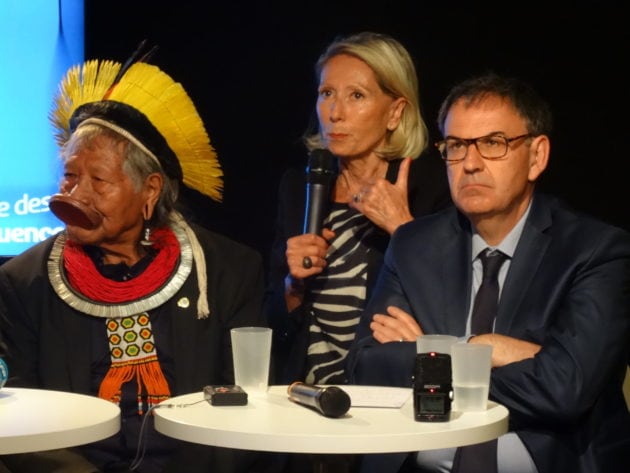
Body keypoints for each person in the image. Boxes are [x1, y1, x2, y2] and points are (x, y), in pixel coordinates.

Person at [347, 72, 630, 473]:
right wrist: (478, 349)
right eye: (457, 146)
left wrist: (430, 354)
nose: (471, 164)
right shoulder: (415, 243)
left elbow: (565, 389)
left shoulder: (595, 250)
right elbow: (367, 366)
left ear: (537, 156)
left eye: (493, 144)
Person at [0, 48, 266, 473]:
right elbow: (18, 416)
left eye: (99, 180)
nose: (76, 195)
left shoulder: (228, 270)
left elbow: (248, 405)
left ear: (150, 190)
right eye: (70, 175)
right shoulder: (24, 282)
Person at [264, 31, 451, 387]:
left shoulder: (430, 187)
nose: (335, 113)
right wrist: (292, 286)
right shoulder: (299, 188)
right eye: (326, 94)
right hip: (304, 395)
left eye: (357, 96)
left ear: (395, 112)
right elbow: (272, 323)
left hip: (388, 394)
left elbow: (454, 308)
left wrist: (404, 229)